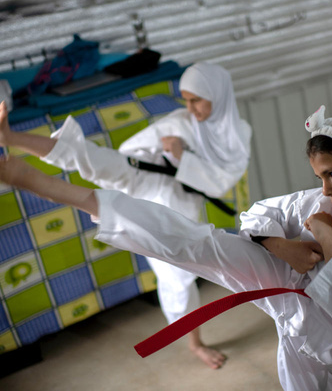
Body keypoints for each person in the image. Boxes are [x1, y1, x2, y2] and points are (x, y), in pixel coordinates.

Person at [1, 104, 332, 391]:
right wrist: (279, 244)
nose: (325, 190)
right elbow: (258, 213)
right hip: (292, 284)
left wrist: (328, 239)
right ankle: (40, 183)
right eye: (321, 177)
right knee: (196, 242)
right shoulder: (326, 201)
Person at [0, 62, 252, 370]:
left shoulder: (239, 134)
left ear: (218, 95)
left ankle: (194, 342)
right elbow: (134, 149)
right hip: (143, 172)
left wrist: (182, 157)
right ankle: (11, 138)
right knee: (90, 157)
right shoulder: (181, 120)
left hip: (177, 193)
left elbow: (222, 181)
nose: (190, 108)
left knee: (177, 272)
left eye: (196, 100)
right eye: (185, 99)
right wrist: (157, 157)